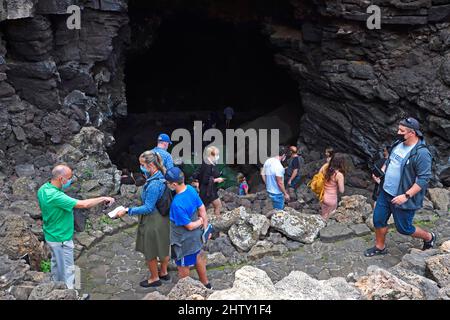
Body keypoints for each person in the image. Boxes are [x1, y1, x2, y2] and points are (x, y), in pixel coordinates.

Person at [364, 117, 435, 257]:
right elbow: (390, 160)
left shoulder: (421, 153)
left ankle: (429, 237)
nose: (398, 132)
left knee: (404, 228)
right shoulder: (398, 143)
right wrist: (381, 173)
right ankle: (380, 247)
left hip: (403, 197)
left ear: (412, 133)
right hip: (385, 192)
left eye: (401, 130)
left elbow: (423, 179)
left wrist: (406, 195)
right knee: (378, 219)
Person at [37, 164, 115, 290]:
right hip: (61, 238)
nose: (71, 180)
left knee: (56, 266)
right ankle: (69, 294)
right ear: (61, 179)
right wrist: (103, 198)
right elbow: (83, 204)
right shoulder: (56, 196)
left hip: (51, 235)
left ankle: (56, 290)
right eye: (69, 178)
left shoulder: (43, 189)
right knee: (68, 271)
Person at [116, 151, 170, 287]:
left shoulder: (153, 184)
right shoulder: (162, 176)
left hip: (153, 221)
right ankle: (163, 272)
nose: (141, 167)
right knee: (163, 246)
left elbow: (148, 208)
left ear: (151, 164)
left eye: (142, 164)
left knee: (150, 251)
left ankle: (154, 278)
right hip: (163, 218)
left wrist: (128, 210)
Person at [165, 167, 211, 289]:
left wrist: (200, 221)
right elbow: (202, 209)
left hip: (183, 241)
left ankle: (186, 290)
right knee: (198, 257)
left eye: (168, 183)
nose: (167, 185)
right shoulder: (191, 189)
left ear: (174, 184)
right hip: (197, 236)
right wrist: (205, 228)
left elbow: (189, 226)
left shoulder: (177, 204)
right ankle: (206, 284)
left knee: (183, 266)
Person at [193, 146, 224, 216]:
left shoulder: (209, 162)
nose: (218, 156)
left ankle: (216, 222)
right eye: (216, 155)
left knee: (210, 207)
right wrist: (217, 180)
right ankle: (216, 223)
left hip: (210, 189)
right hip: (207, 190)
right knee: (214, 207)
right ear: (210, 155)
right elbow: (205, 180)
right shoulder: (207, 164)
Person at [318, 153, 347, 220]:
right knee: (329, 218)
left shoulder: (325, 166)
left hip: (322, 195)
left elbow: (318, 176)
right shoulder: (339, 175)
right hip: (331, 199)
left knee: (323, 215)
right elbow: (341, 190)